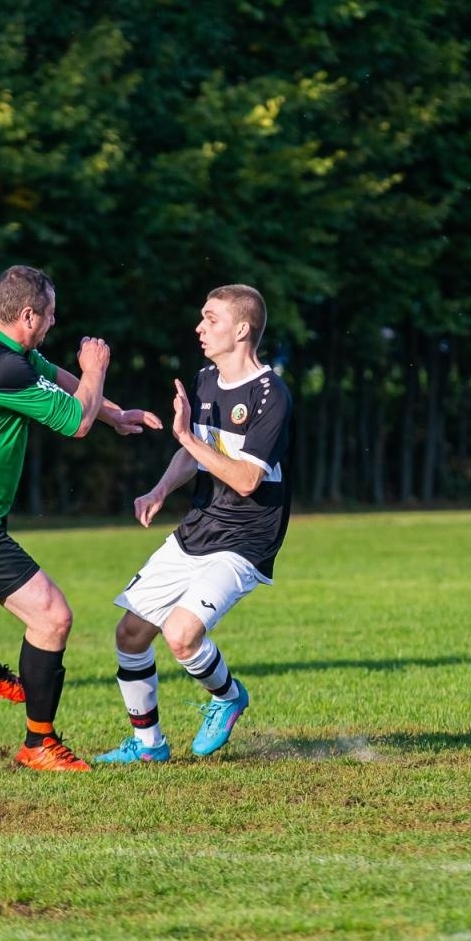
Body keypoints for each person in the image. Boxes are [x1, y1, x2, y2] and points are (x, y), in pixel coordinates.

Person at [0, 264, 161, 771]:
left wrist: (113, 412)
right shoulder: (1, 370)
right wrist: (96, 368)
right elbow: (74, 422)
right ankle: (39, 744)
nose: (54, 323)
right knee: (51, 616)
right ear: (26, 314)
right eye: (50, 315)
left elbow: (51, 377)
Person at [95, 284, 291, 765]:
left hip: (247, 537)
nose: (199, 328)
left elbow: (245, 479)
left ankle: (227, 698)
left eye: (211, 319)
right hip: (200, 526)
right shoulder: (205, 380)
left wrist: (184, 434)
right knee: (130, 635)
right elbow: (194, 451)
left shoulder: (271, 395)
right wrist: (160, 490)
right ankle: (148, 747)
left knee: (182, 635)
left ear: (241, 329)